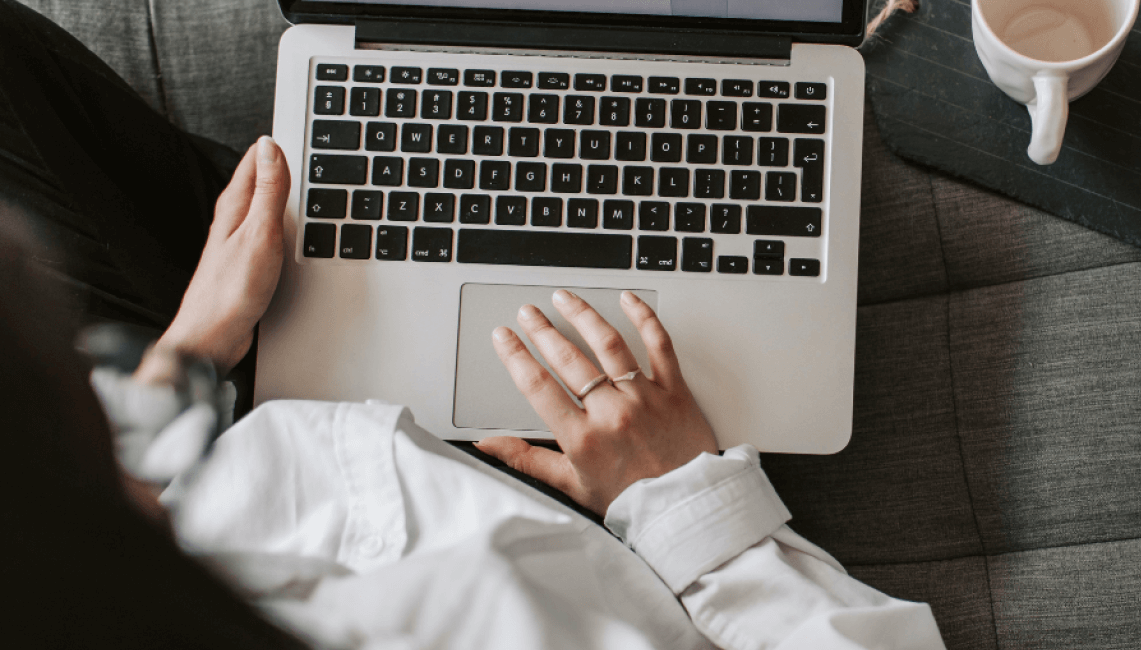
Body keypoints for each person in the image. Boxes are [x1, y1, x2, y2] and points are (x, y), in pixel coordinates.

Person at [0, 1, 946, 647]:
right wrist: (680, 499)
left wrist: (189, 353)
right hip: (599, 508)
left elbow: (76, 506)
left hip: (231, 433)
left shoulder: (89, 557)